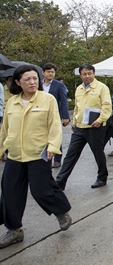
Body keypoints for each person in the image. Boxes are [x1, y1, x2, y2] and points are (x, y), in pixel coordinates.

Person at [0, 65, 72, 249]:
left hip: (38, 153)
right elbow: (5, 130)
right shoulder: (12, 102)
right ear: (18, 82)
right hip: (15, 154)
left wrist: (54, 145)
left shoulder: (47, 99)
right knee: (10, 193)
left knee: (41, 190)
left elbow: (55, 124)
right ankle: (14, 229)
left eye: (35, 78)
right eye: (27, 79)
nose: (32, 82)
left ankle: (61, 211)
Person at [56, 63, 111, 190]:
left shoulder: (102, 88)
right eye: (84, 74)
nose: (87, 76)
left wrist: (100, 120)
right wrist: (74, 121)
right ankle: (60, 182)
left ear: (94, 73)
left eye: (89, 73)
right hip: (80, 127)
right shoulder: (79, 89)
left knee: (98, 153)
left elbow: (107, 106)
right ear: (80, 75)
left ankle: (102, 177)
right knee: (71, 154)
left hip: (95, 127)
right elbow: (77, 107)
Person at [41, 63, 71, 169]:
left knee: (55, 135)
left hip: (55, 114)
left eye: (52, 72)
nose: (50, 74)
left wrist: (65, 116)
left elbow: (63, 101)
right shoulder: (38, 85)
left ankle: (57, 159)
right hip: (41, 115)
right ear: (43, 72)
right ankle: (43, 156)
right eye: (48, 71)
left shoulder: (59, 85)